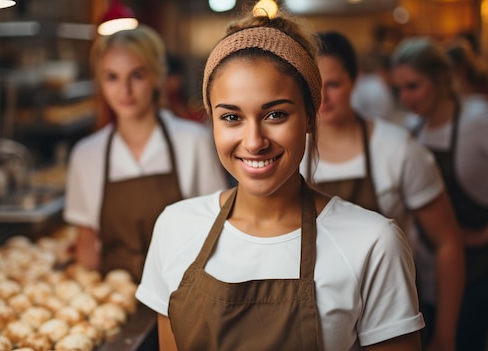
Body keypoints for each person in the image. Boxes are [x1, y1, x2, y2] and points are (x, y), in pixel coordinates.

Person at [136, 6, 424, 351]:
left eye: (276, 114)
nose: (254, 141)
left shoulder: (374, 244)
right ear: (210, 121)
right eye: (231, 117)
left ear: (309, 117)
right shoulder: (175, 228)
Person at [301, 31, 464, 351]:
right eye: (312, 88)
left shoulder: (398, 149)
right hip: (315, 322)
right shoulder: (290, 155)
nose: (323, 99)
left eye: (333, 84)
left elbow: (448, 243)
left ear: (355, 79)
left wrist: (446, 335)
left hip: (393, 316)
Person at [391, 37, 488, 351]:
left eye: (413, 86)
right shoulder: (414, 127)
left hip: (481, 263)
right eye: (399, 90)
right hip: (431, 265)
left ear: (441, 79)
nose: (405, 97)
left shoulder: (478, 118)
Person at [63, 26, 228, 283]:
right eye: (112, 77)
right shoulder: (86, 155)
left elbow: (218, 224)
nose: (124, 90)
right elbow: (87, 242)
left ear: (156, 76)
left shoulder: (192, 140)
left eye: (136, 75)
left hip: (184, 294)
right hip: (117, 298)